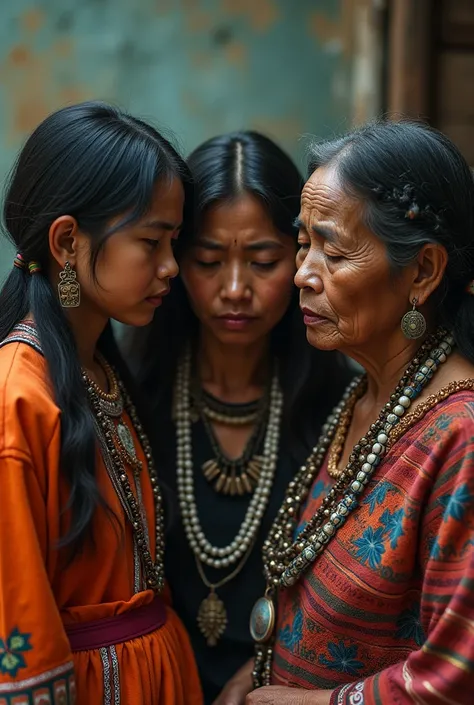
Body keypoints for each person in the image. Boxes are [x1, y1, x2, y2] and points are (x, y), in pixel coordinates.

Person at [247, 119, 474, 704]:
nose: (302, 275)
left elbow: (458, 673)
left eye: (335, 251)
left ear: (422, 270)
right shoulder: (368, 392)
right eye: (304, 245)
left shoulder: (461, 437)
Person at [128, 131, 353, 704]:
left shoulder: (343, 408)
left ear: (302, 258)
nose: (234, 289)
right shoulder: (132, 397)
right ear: (174, 261)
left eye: (263, 261)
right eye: (207, 260)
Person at [0, 102, 202, 705]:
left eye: (174, 241)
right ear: (67, 240)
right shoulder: (18, 396)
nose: (171, 267)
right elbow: (17, 629)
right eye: (150, 241)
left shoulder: (100, 368)